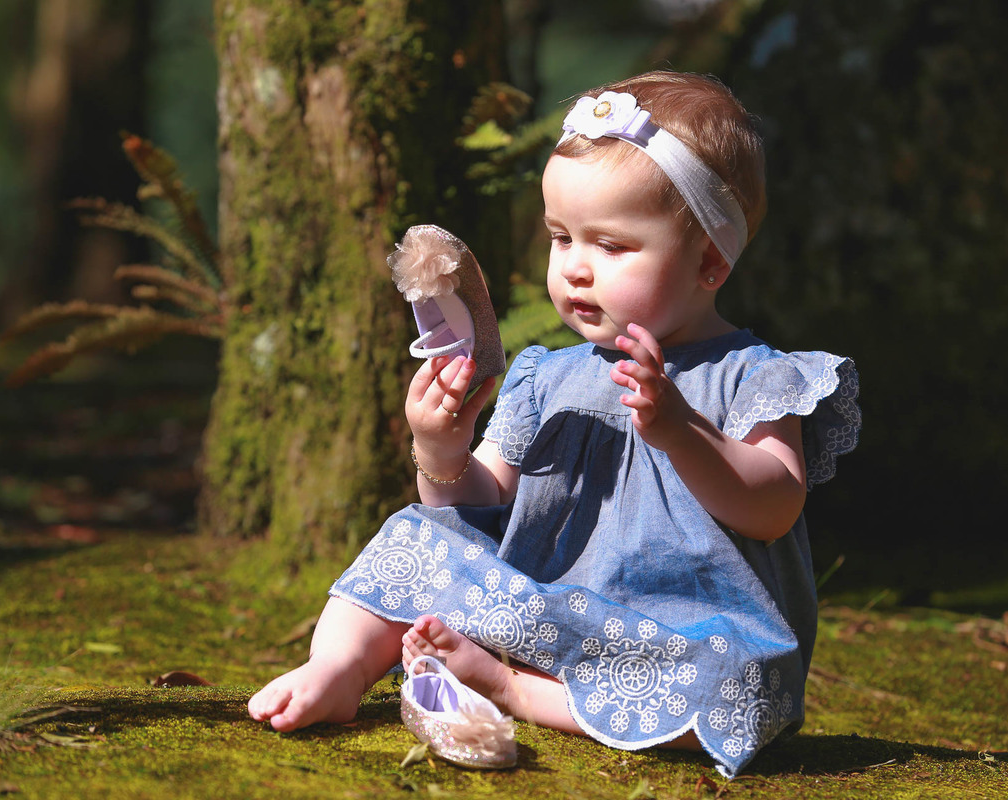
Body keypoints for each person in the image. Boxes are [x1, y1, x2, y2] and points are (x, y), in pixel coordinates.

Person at [248, 70, 860, 778]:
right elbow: (477, 511)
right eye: (561, 238)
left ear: (710, 260)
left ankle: (511, 691)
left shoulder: (757, 376)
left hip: (676, 638)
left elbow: (773, 507)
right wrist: (440, 449)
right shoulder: (550, 375)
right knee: (413, 537)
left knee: (739, 690)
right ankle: (339, 670)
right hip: (540, 619)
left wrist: (678, 428)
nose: (574, 268)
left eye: (612, 246)